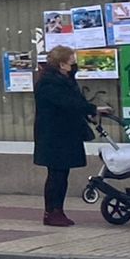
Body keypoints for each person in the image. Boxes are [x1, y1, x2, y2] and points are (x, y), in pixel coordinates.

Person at [34, 45, 109, 227]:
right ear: (62, 64)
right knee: (56, 174)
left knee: (62, 174)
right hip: (54, 135)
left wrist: (90, 112)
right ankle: (51, 212)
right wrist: (92, 109)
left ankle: (58, 210)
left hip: (65, 134)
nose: (75, 65)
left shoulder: (65, 80)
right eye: (72, 62)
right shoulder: (49, 83)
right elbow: (67, 103)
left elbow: (76, 101)